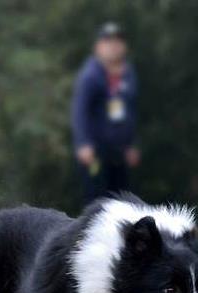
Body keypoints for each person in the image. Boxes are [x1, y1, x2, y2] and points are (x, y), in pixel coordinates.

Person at [71, 22, 140, 203]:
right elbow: (80, 111)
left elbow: (130, 111)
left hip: (119, 151)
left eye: (118, 42)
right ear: (98, 47)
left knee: (122, 202)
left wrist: (131, 144)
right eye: (108, 42)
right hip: (96, 152)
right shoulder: (90, 75)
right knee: (97, 202)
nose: (113, 47)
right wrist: (83, 143)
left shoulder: (128, 74)